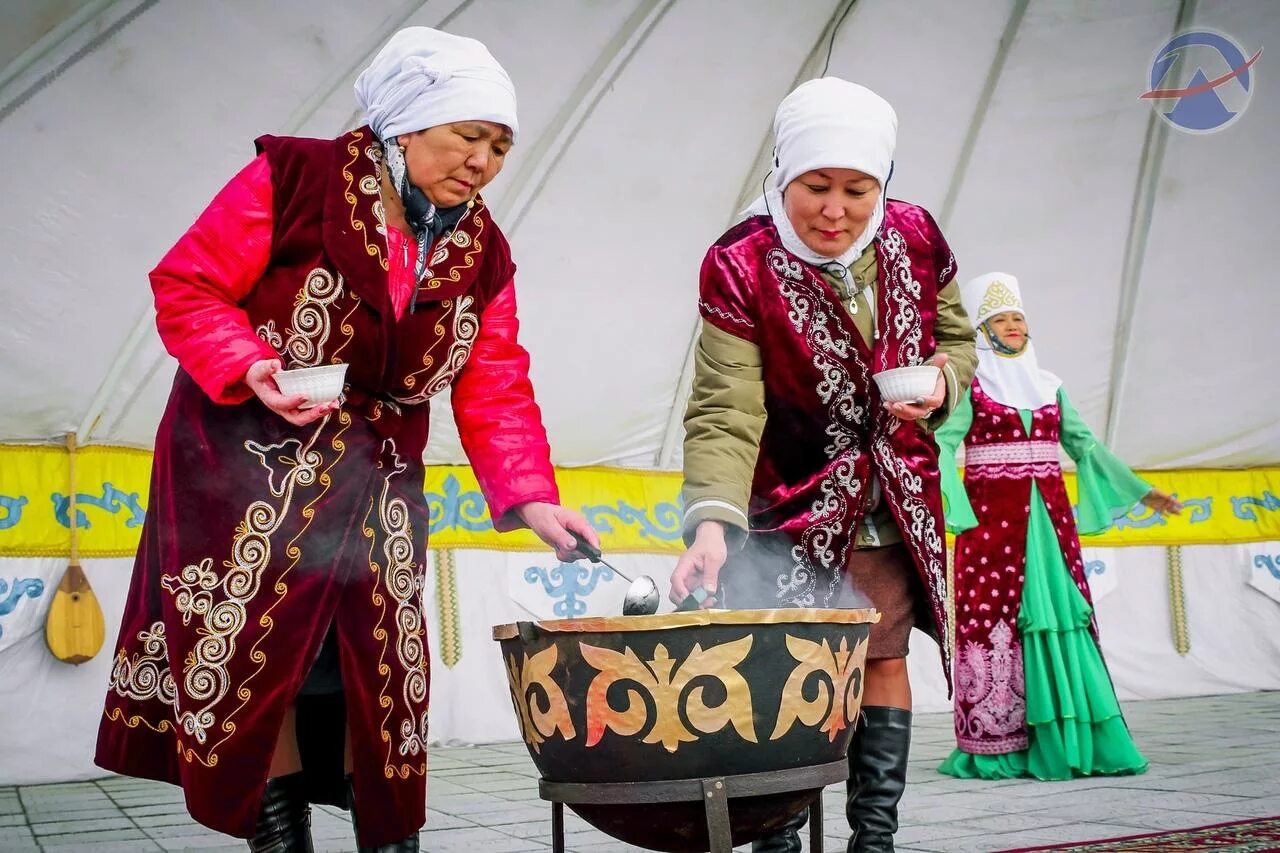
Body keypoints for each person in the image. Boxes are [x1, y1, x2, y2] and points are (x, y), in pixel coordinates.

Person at [95, 27, 598, 853]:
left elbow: (494, 377)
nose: (482, 161)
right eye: (467, 136)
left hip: (379, 477)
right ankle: (279, 842)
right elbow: (188, 285)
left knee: (383, 672)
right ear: (406, 123)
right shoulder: (296, 178)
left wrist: (534, 500)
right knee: (266, 670)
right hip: (242, 466)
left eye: (500, 146)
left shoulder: (484, 252)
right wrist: (251, 365)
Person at [669, 78, 977, 853]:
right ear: (784, 175)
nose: (835, 209)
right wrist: (710, 523)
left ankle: (874, 840)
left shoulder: (916, 235)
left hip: (893, 498)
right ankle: (778, 837)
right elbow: (725, 406)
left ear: (884, 184)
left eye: (856, 189)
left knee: (880, 655)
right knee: (783, 674)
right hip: (789, 502)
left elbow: (957, 337)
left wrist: (944, 379)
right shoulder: (740, 262)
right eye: (816, 186)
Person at [935, 272, 1181, 782]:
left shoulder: (1050, 386)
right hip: (994, 531)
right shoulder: (973, 386)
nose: (1013, 326)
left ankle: (1080, 737)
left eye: (1019, 318)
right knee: (999, 623)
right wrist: (949, 505)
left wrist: (1142, 491)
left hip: (1050, 525)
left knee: (1064, 615)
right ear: (983, 332)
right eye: (1000, 319)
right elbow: (942, 444)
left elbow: (1084, 445)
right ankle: (1000, 744)